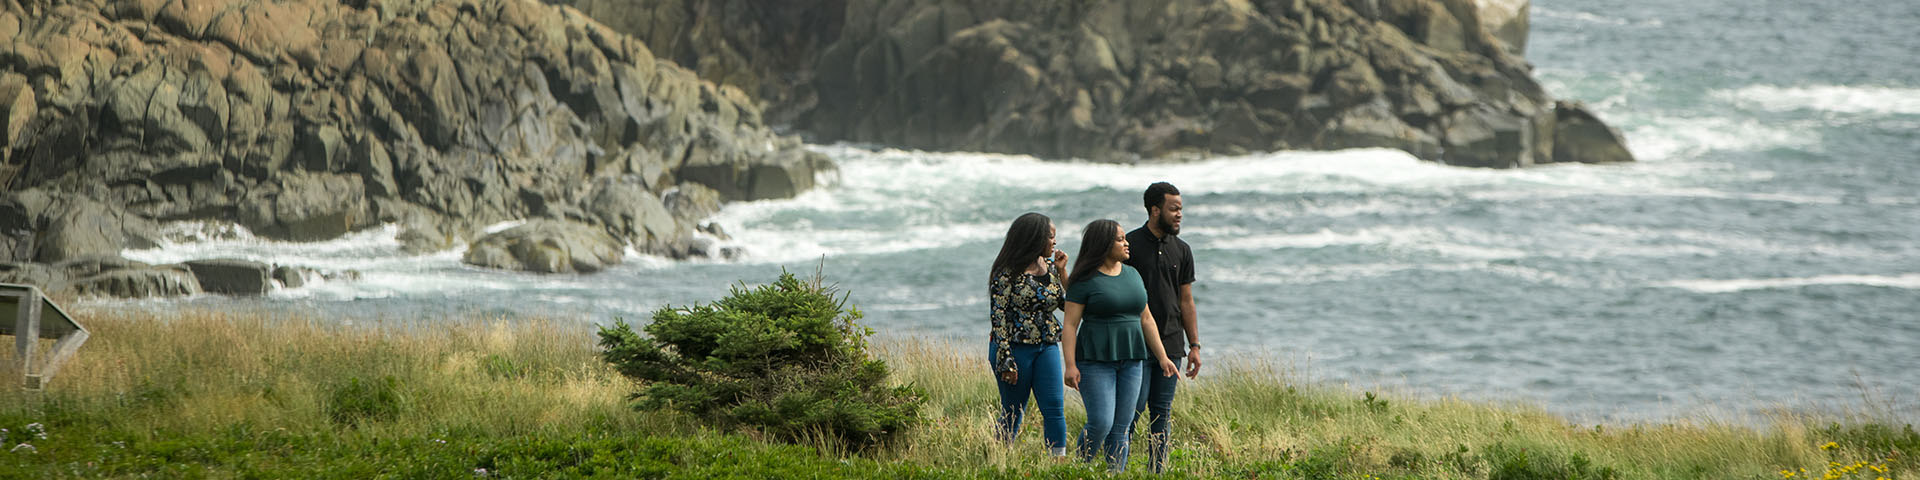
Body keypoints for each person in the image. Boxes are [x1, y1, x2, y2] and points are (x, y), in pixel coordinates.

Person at [1061, 219, 1179, 473]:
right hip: (1094, 360)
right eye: (1120, 239)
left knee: (1122, 427)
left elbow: (1146, 318)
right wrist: (1069, 365)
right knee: (1101, 422)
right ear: (1103, 244)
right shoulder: (1085, 280)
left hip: (1133, 359)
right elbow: (1070, 325)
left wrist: (1162, 357)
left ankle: (1113, 475)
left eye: (1125, 238)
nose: (1127, 243)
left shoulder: (1133, 274)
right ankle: (1079, 470)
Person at [1126, 181, 1200, 474]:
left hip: (1172, 343)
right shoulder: (1129, 244)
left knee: (1162, 414)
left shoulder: (1182, 250)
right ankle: (1117, 465)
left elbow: (1187, 300)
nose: (1179, 214)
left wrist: (1194, 346)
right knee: (1133, 409)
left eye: (1181, 208)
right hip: (1136, 342)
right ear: (1155, 210)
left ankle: (1157, 471)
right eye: (1174, 209)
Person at [987, 212, 1071, 456]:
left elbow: (1069, 306)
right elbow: (998, 317)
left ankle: (1058, 465)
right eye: (1051, 237)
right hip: (1014, 348)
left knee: (1054, 407)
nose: (1054, 242)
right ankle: (998, 459)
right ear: (1034, 238)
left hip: (1046, 346)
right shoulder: (1006, 272)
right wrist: (1005, 359)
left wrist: (1063, 273)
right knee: (1014, 410)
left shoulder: (1052, 268)